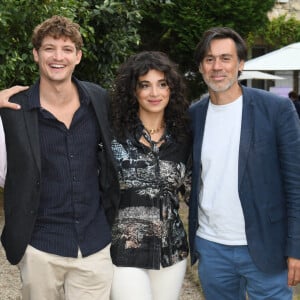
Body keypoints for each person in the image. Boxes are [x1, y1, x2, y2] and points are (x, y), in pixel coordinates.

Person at [0, 15, 119, 300]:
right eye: (49, 48)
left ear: (78, 56)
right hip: (39, 246)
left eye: (67, 49)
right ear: (36, 54)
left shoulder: (99, 100)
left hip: (94, 245)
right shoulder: (12, 110)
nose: (58, 56)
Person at [188, 26, 300, 299]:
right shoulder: (194, 115)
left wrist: (296, 247)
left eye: (225, 58)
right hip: (212, 246)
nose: (217, 66)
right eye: (209, 59)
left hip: (266, 246)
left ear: (240, 64)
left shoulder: (276, 109)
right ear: (202, 67)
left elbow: (296, 184)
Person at [109, 51, 192, 300]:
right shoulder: (114, 136)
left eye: (162, 84)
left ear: (171, 89)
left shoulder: (184, 138)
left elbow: (193, 192)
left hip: (171, 252)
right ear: (133, 91)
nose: (154, 93)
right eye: (145, 85)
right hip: (124, 251)